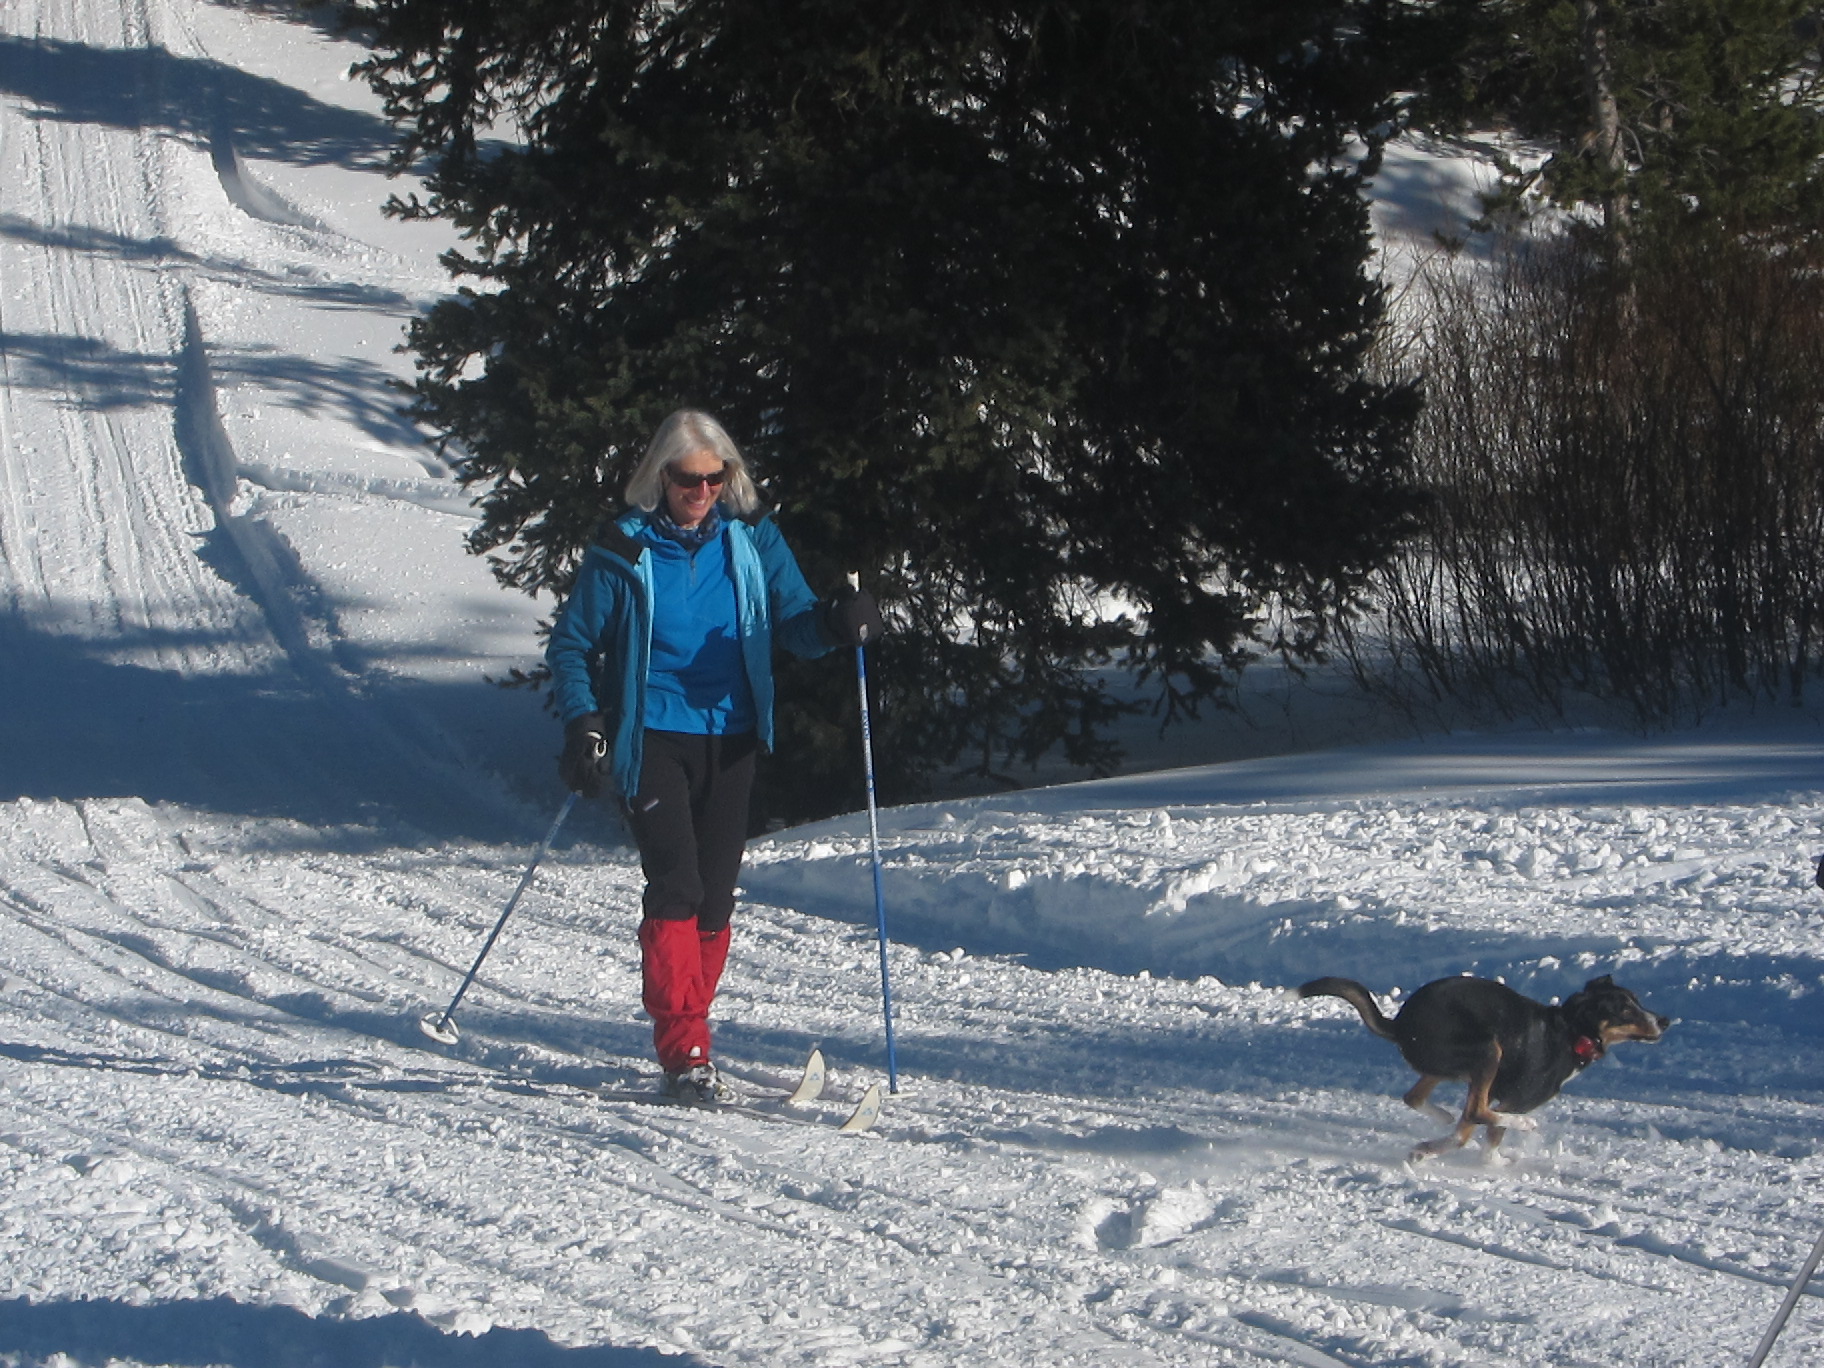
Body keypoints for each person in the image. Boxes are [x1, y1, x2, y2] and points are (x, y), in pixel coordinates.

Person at [545, 409, 882, 1102]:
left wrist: (835, 622)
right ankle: (686, 1050)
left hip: (731, 737)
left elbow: (795, 621)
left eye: (713, 477)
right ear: (659, 477)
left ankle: (691, 1026)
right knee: (677, 883)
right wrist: (586, 724)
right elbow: (574, 644)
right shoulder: (624, 550)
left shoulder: (753, 541)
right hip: (655, 736)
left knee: (716, 898)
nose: (700, 491)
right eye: (686, 479)